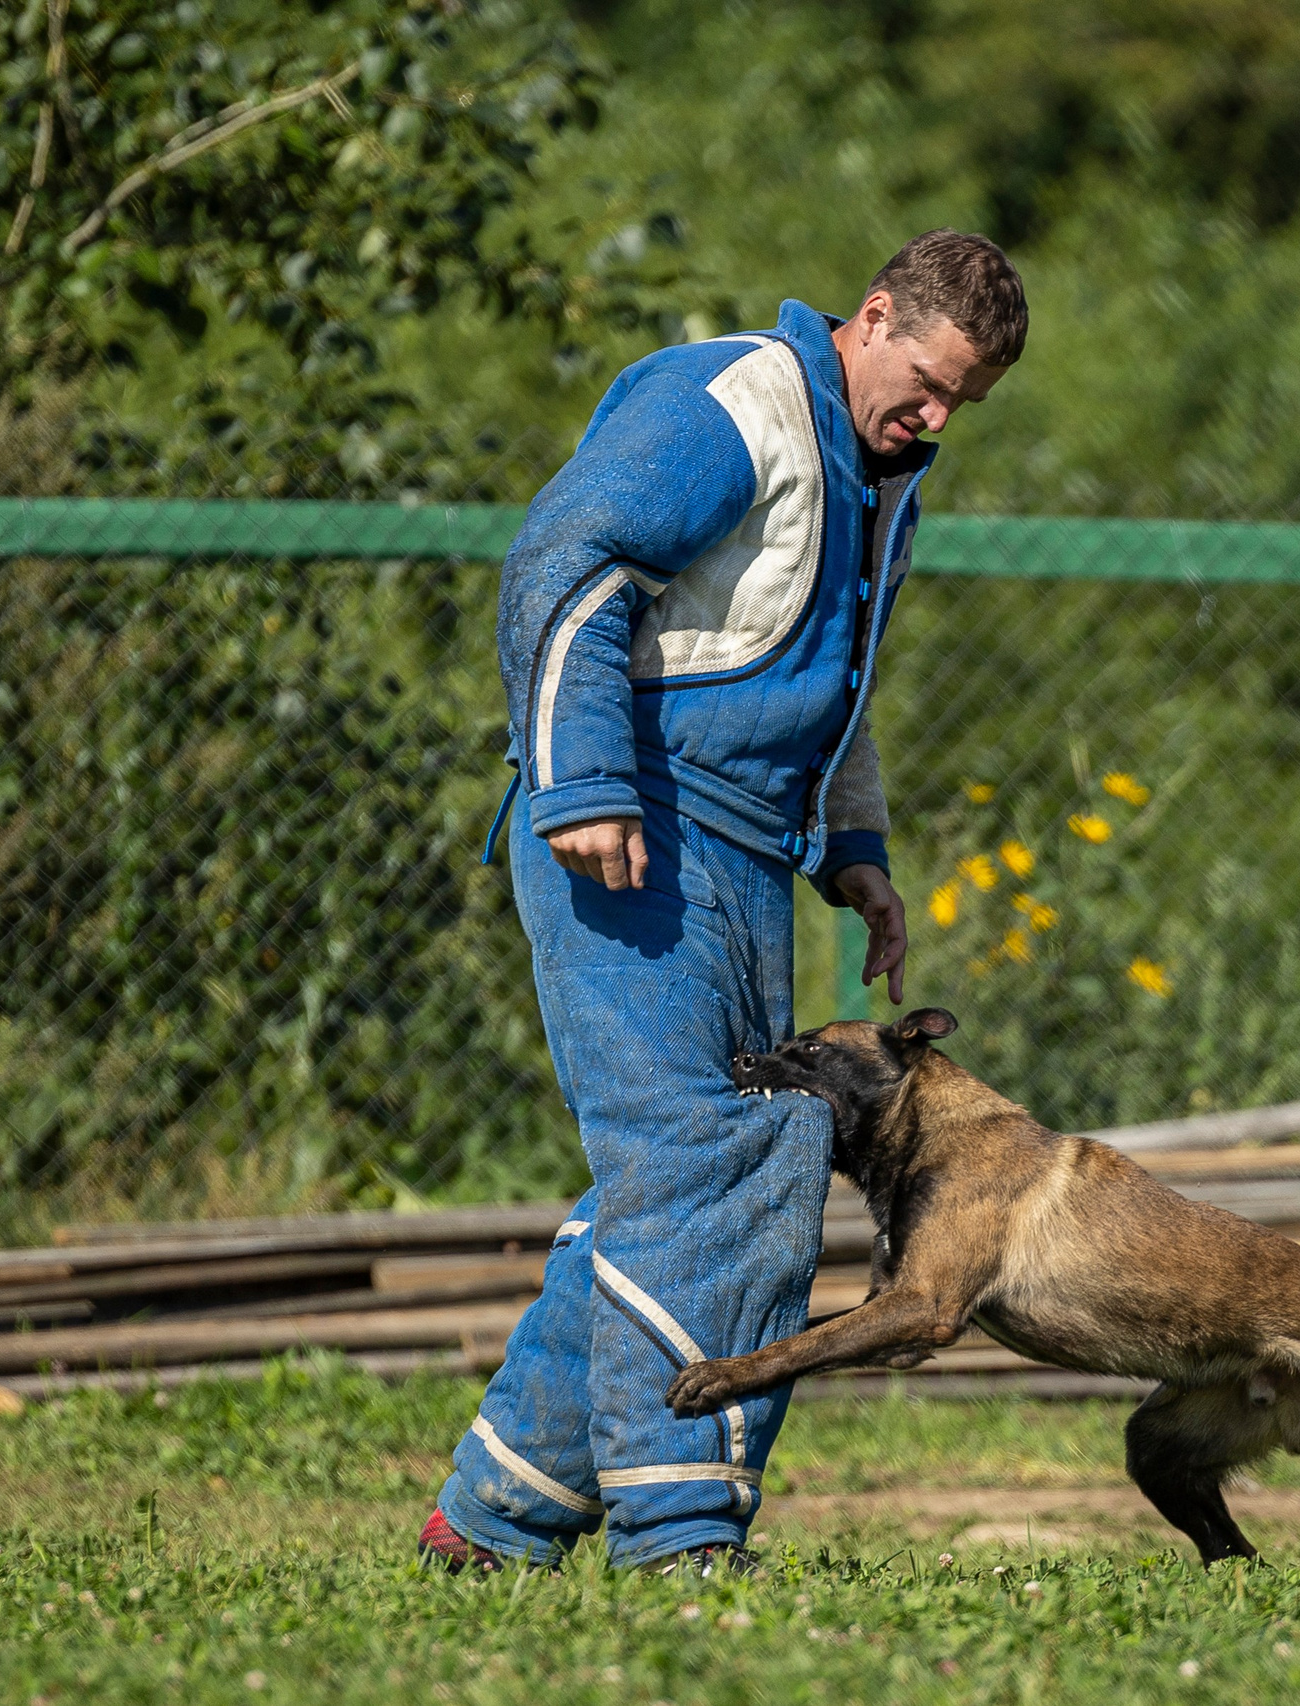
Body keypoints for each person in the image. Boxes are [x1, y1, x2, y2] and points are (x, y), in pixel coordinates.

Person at [421, 230, 1027, 1575]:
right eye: (924, 382)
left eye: (960, 405)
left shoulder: (883, 475)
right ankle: (679, 1535)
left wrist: (854, 847)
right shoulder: (733, 400)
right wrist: (581, 778)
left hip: (741, 853)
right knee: (709, 1161)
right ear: (872, 317)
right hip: (631, 824)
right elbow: (566, 555)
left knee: (712, 1163)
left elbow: (829, 682)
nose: (934, 419)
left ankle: (489, 1521)